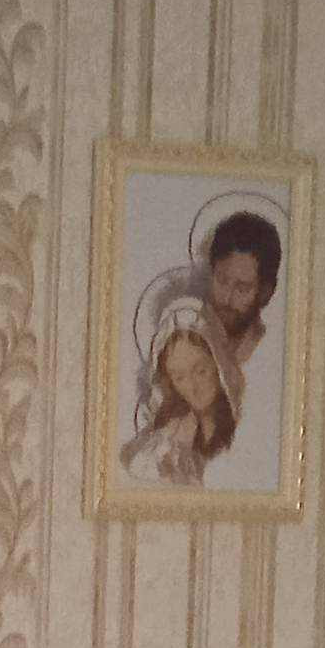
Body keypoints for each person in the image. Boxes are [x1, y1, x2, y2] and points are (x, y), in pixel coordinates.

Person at [122, 295, 241, 485]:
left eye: (200, 371)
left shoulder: (243, 431)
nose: (193, 387)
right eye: (180, 377)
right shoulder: (167, 438)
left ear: (219, 366)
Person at [201, 206, 282, 377]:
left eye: (242, 288)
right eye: (222, 281)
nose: (227, 298)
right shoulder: (186, 337)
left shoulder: (272, 353)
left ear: (266, 292)